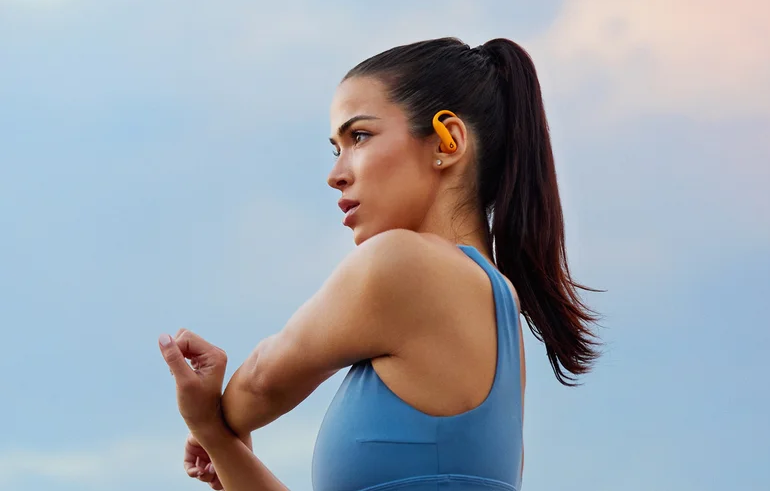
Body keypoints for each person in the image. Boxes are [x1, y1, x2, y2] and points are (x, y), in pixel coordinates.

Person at [158, 37, 599, 491]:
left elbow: (260, 385)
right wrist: (217, 438)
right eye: (336, 148)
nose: (336, 174)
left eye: (359, 137)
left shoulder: (404, 263)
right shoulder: (500, 310)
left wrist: (210, 415)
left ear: (448, 141)